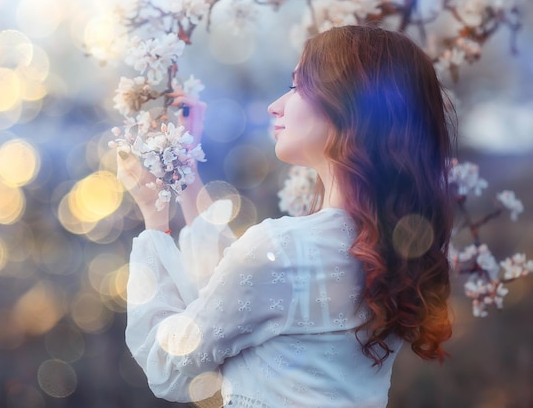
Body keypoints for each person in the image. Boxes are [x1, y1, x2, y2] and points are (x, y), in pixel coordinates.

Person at [116, 25, 455, 408]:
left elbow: (168, 366)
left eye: (297, 87)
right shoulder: (387, 251)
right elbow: (231, 295)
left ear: (347, 106)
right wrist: (188, 177)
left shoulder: (281, 249)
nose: (275, 105)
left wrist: (153, 221)